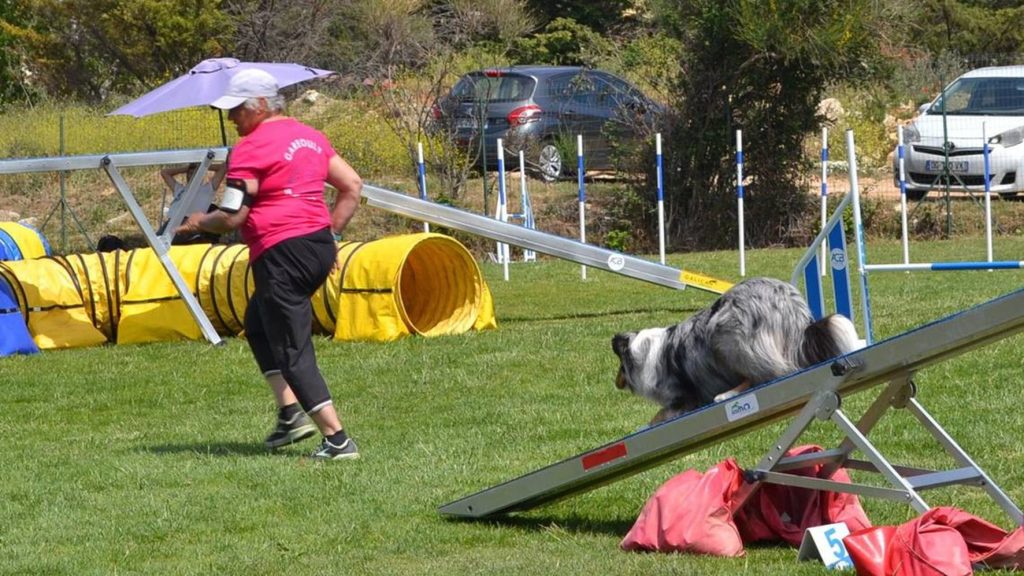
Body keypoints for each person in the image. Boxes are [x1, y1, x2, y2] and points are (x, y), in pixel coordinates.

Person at [176, 68, 363, 461]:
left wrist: (196, 222)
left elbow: (231, 217)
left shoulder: (249, 149)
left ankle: (338, 439)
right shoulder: (311, 137)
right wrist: (330, 235)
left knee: (291, 347)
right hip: (317, 244)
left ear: (260, 105)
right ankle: (291, 414)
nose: (232, 119)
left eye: (237, 110)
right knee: (258, 322)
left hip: (280, 252)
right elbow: (352, 186)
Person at [159, 162, 227, 244]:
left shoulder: (207, 189)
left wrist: (202, 166)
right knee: (154, 244)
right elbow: (164, 172)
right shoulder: (179, 189)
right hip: (170, 223)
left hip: (188, 223)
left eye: (195, 173)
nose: (191, 175)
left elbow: (224, 167)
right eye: (190, 173)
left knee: (167, 244)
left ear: (201, 174)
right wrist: (188, 168)